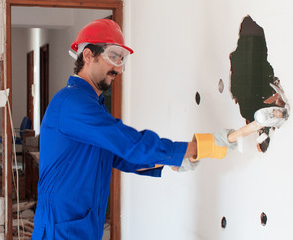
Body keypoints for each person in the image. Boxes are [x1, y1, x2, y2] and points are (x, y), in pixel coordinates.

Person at [31, 19, 236, 240]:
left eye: (121, 59)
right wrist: (198, 146)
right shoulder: (72, 103)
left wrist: (174, 160)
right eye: (112, 56)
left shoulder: (91, 104)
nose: (118, 68)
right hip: (58, 229)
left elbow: (118, 156)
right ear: (88, 55)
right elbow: (129, 144)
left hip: (79, 227)